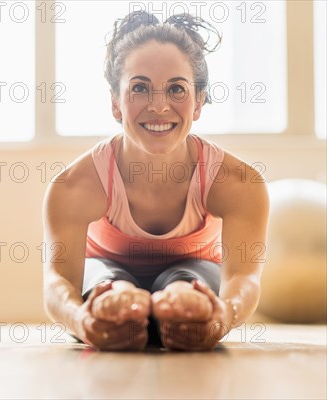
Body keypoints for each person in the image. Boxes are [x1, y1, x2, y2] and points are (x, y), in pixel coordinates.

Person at [42, 11, 269, 351]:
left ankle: (179, 297)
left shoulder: (238, 182)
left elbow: (242, 278)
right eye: (140, 88)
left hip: (193, 276)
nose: (159, 106)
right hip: (104, 276)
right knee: (110, 283)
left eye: (176, 88)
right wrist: (82, 321)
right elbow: (58, 282)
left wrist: (221, 315)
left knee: (186, 285)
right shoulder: (74, 185)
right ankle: (118, 296)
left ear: (198, 103)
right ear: (116, 104)